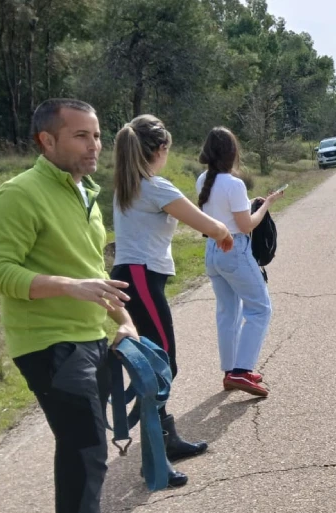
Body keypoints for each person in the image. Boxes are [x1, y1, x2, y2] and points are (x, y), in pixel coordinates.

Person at [0, 98, 154, 513]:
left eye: (96, 135)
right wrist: (69, 287)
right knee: (86, 450)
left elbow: (93, 272)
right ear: (47, 140)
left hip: (91, 337)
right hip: (48, 344)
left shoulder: (84, 193)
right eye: (80, 136)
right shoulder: (19, 194)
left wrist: (125, 322)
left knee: (83, 452)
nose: (94, 146)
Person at [110, 114, 236, 485]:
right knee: (160, 365)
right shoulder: (154, 186)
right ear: (161, 148)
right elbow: (208, 224)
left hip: (138, 276)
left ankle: (167, 439)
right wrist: (223, 233)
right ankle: (157, 453)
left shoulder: (130, 186)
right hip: (141, 277)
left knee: (159, 362)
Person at [195, 127, 282, 397]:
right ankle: (242, 371)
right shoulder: (234, 184)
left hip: (213, 250)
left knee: (227, 312)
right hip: (234, 249)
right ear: (232, 153)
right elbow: (246, 226)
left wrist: (251, 203)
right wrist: (266, 205)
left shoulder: (203, 180)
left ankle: (230, 371)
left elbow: (224, 211)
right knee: (260, 309)